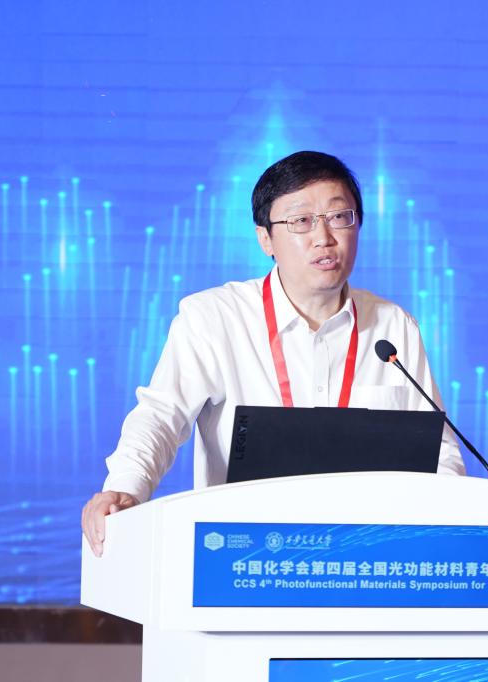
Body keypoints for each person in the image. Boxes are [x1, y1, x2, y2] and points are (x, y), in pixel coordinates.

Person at [81, 151, 465, 556]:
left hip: (364, 555)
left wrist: (458, 525)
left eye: (340, 217)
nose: (324, 237)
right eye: (301, 221)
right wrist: (125, 489)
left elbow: (437, 451)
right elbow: (160, 416)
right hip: (245, 555)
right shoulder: (214, 318)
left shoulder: (394, 326)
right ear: (265, 238)